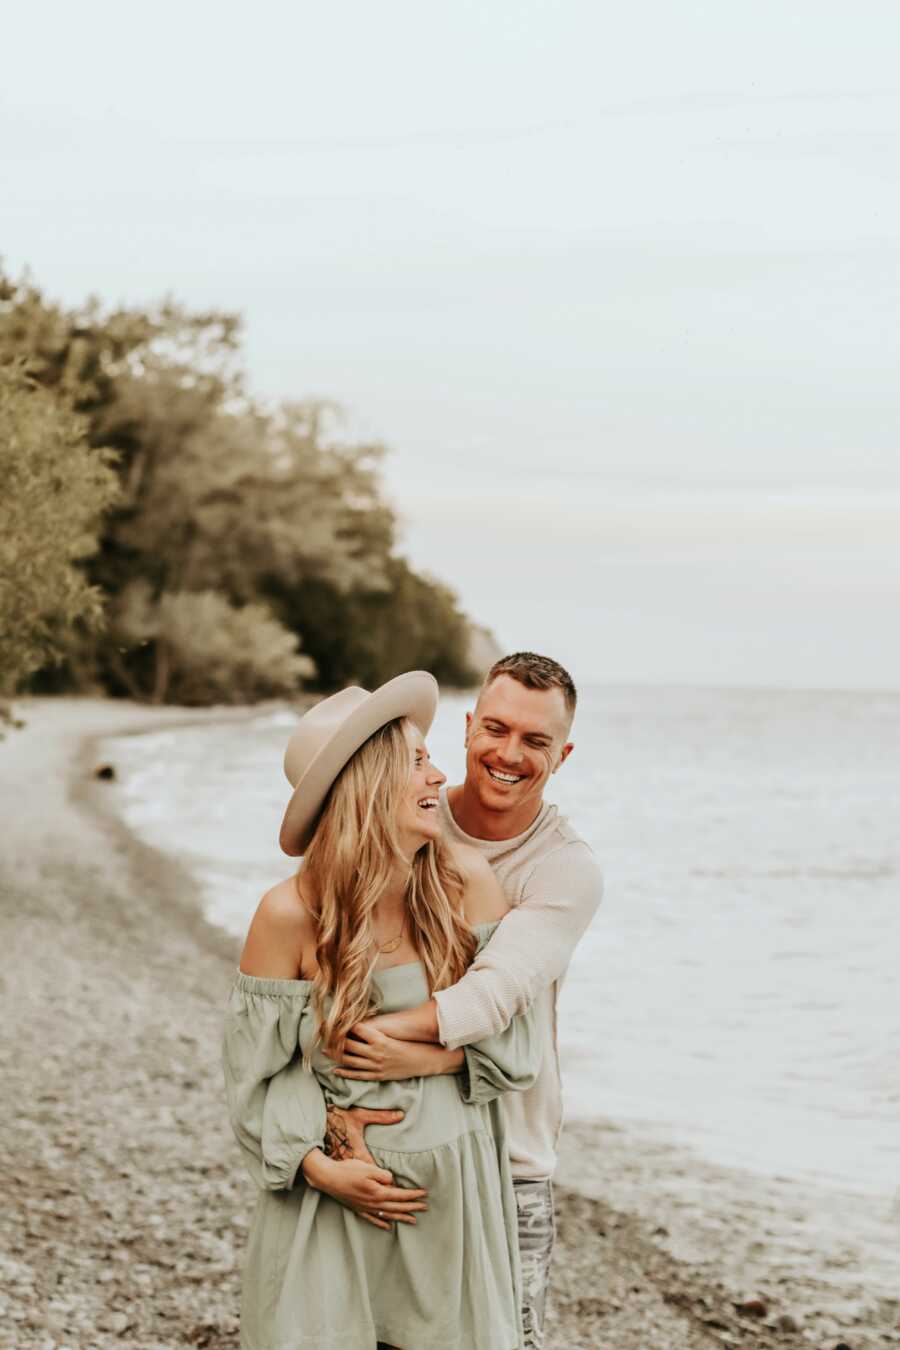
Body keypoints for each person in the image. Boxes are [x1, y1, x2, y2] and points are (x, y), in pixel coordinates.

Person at [223, 671, 542, 1350]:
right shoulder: (288, 915)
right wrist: (321, 1167)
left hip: (454, 1205)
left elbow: (520, 1044)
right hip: (333, 1212)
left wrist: (429, 1052)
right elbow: (253, 1081)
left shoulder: (468, 886)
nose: (438, 777)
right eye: (418, 762)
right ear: (366, 784)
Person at [326, 653, 603, 1349]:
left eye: (536, 741)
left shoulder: (563, 868)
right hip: (380, 1144)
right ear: (469, 726)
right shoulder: (403, 817)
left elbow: (497, 992)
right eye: (497, 730)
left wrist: (385, 1044)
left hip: (509, 1161)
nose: (510, 754)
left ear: (562, 755)